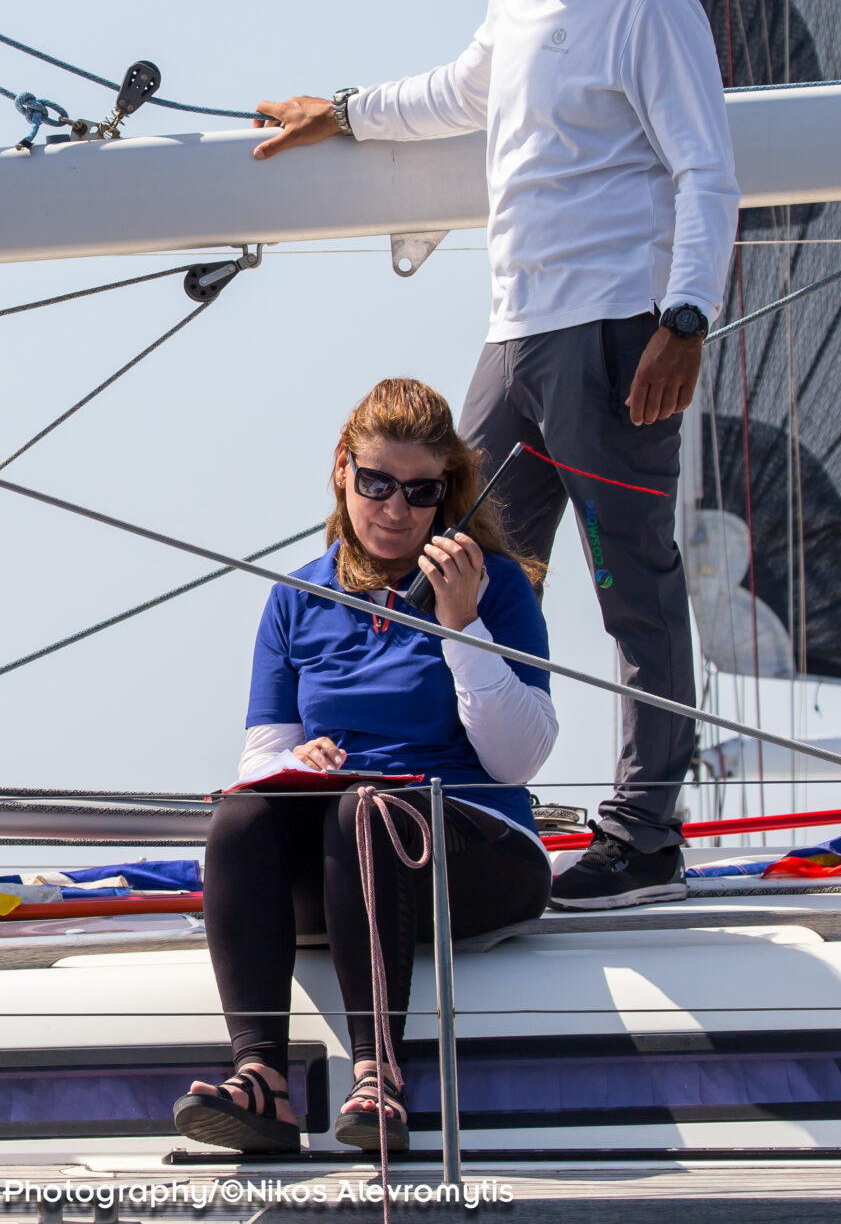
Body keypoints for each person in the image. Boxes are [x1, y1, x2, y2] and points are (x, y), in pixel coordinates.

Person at [251, 0, 738, 911]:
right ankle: (453, 789)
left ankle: (645, 829)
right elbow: (464, 91)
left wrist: (685, 319)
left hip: (615, 336)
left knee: (635, 585)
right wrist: (345, 109)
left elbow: (707, 170)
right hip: (513, 338)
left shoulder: (647, 2)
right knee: (446, 562)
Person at [173, 378, 556, 1156]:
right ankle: (261, 1080)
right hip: (343, 855)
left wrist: (463, 626)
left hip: (473, 855)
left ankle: (379, 1073)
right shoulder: (296, 599)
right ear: (343, 470)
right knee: (244, 812)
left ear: (446, 493)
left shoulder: (493, 584)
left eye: (421, 491)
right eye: (377, 483)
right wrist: (293, 758)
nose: (395, 508)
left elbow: (518, 757)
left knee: (366, 809)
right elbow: (261, 755)